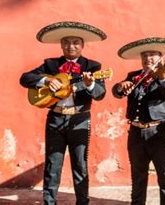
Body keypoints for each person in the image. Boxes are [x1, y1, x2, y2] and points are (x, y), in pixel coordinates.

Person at [19, 21, 107, 205]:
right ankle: (49, 202)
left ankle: (82, 202)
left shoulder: (93, 66)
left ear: (82, 45)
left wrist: (90, 83)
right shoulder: (51, 64)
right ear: (61, 45)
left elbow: (100, 94)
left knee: (80, 164)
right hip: (55, 118)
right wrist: (45, 81)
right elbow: (25, 78)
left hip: (80, 119)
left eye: (76, 42)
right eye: (67, 42)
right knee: (53, 164)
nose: (71, 46)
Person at [112, 37, 165, 205]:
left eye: (152, 54)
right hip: (135, 132)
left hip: (159, 132)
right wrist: (121, 86)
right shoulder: (134, 76)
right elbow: (117, 92)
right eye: (144, 55)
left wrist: (163, 76)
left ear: (160, 57)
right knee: (138, 176)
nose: (147, 58)